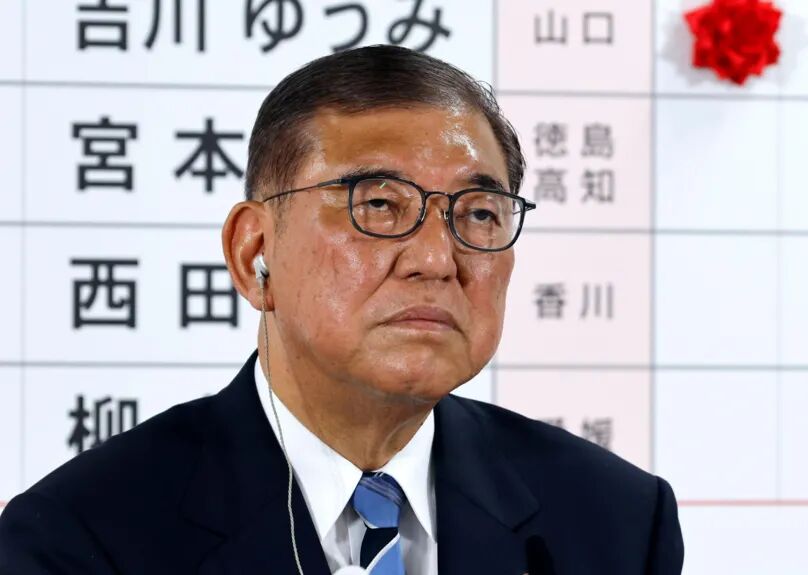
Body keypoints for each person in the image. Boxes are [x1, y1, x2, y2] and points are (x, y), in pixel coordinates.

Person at [0, 45, 683, 575]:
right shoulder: (83, 535)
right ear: (254, 252)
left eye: (478, 213)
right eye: (379, 204)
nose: (436, 259)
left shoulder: (615, 520)